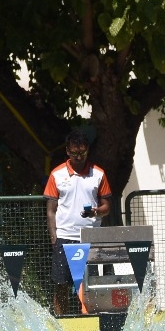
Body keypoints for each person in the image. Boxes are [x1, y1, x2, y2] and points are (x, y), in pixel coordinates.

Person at [44, 131, 112, 314]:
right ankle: (62, 322)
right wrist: (54, 238)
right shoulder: (56, 174)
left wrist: (96, 211)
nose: (79, 157)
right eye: (75, 154)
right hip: (65, 237)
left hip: (92, 238)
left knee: (96, 283)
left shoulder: (98, 174)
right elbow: (51, 211)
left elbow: (107, 206)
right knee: (61, 285)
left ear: (87, 150)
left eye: (82, 153)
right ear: (67, 151)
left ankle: (96, 317)